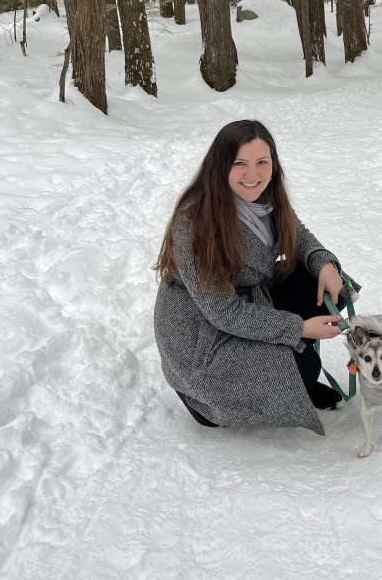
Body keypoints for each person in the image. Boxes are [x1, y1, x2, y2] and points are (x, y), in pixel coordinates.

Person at [153, 120, 357, 435]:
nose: (254, 175)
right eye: (241, 164)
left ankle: (286, 374)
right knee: (306, 366)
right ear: (221, 167)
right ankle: (226, 399)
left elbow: (297, 234)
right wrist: (299, 328)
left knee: (332, 289)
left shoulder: (265, 199)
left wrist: (323, 262)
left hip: (245, 300)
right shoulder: (194, 223)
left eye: (262, 162)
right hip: (204, 340)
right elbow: (224, 312)